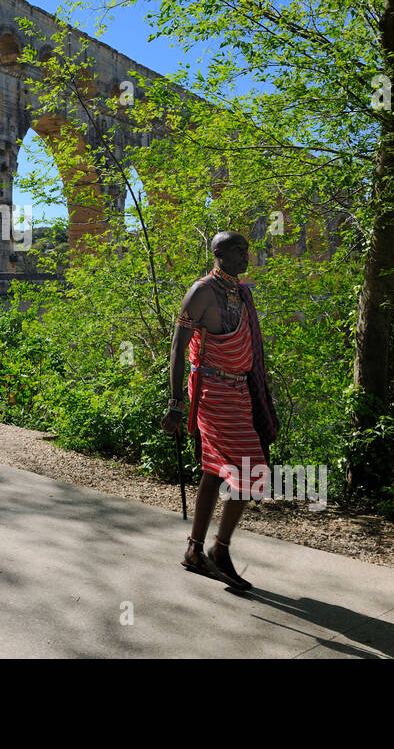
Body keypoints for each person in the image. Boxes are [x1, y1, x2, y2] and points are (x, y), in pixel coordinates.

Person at [162, 231, 279, 592]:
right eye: (238, 250)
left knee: (216, 472)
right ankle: (219, 549)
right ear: (218, 253)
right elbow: (178, 348)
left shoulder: (243, 293)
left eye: (247, 248)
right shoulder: (201, 292)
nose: (246, 254)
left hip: (240, 392)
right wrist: (174, 404)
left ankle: (195, 550)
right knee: (251, 469)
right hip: (211, 393)